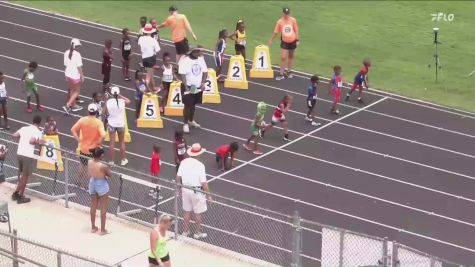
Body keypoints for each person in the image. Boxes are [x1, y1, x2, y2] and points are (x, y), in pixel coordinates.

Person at [176, 143, 212, 239]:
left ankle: (185, 231)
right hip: (196, 190)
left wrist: (178, 188)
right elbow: (204, 183)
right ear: (199, 154)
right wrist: (208, 195)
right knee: (197, 212)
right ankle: (197, 232)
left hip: (185, 188)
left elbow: (178, 176)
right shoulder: (200, 165)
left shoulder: (184, 162)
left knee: (187, 211)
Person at [71, 104, 106, 186]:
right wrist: (99, 142)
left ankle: (77, 182)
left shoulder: (82, 120)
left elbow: (73, 130)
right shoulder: (98, 123)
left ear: (88, 111)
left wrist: (78, 140)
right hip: (93, 150)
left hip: (83, 148)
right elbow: (103, 135)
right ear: (96, 112)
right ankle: (88, 185)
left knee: (82, 166)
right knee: (91, 169)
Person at [12, 115, 44, 204]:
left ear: (32, 121)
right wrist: (39, 142)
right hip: (27, 155)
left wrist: (22, 138)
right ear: (39, 123)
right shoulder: (38, 131)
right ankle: (20, 196)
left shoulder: (24, 128)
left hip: (19, 153)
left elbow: (14, 135)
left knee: (22, 176)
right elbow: (31, 141)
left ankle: (16, 193)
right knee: (25, 177)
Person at [178, 46, 208, 134]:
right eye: (198, 52)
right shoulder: (185, 61)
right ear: (193, 52)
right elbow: (182, 74)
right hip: (188, 86)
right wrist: (186, 87)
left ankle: (191, 120)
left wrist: (203, 83)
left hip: (197, 87)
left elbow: (205, 72)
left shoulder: (201, 59)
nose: (200, 53)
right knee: (187, 105)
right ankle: (185, 124)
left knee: (193, 105)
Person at [268, 7, 299, 81]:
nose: (287, 15)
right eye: (285, 14)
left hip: (293, 41)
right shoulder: (280, 22)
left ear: (290, 13)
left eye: (288, 14)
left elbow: (296, 30)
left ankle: (289, 71)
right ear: (283, 13)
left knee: (291, 56)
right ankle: (281, 74)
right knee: (283, 57)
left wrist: (297, 40)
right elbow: (276, 32)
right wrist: (271, 39)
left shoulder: (293, 20)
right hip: (284, 41)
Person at [87, 147, 112, 236]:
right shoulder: (103, 166)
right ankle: (103, 230)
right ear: (101, 155)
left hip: (92, 182)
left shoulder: (89, 162)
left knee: (93, 205)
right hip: (101, 184)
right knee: (103, 208)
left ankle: (93, 227)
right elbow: (110, 175)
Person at [104, 86, 130, 166]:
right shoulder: (122, 101)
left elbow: (103, 111)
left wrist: (106, 100)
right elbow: (129, 101)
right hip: (121, 124)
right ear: (118, 93)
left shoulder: (109, 101)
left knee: (112, 143)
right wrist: (120, 95)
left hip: (112, 124)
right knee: (122, 142)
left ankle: (111, 161)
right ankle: (123, 159)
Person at [63, 38, 84, 114]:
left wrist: (65, 75)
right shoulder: (77, 54)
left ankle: (73, 104)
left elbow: (65, 65)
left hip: (68, 74)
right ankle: (68, 105)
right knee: (77, 91)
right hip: (75, 75)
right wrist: (82, 76)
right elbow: (79, 67)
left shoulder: (66, 52)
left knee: (72, 90)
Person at [138, 23, 160, 91]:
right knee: (150, 75)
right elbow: (158, 50)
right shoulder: (153, 40)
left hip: (144, 58)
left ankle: (152, 87)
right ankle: (145, 88)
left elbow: (139, 45)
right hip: (151, 58)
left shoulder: (141, 38)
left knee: (150, 74)